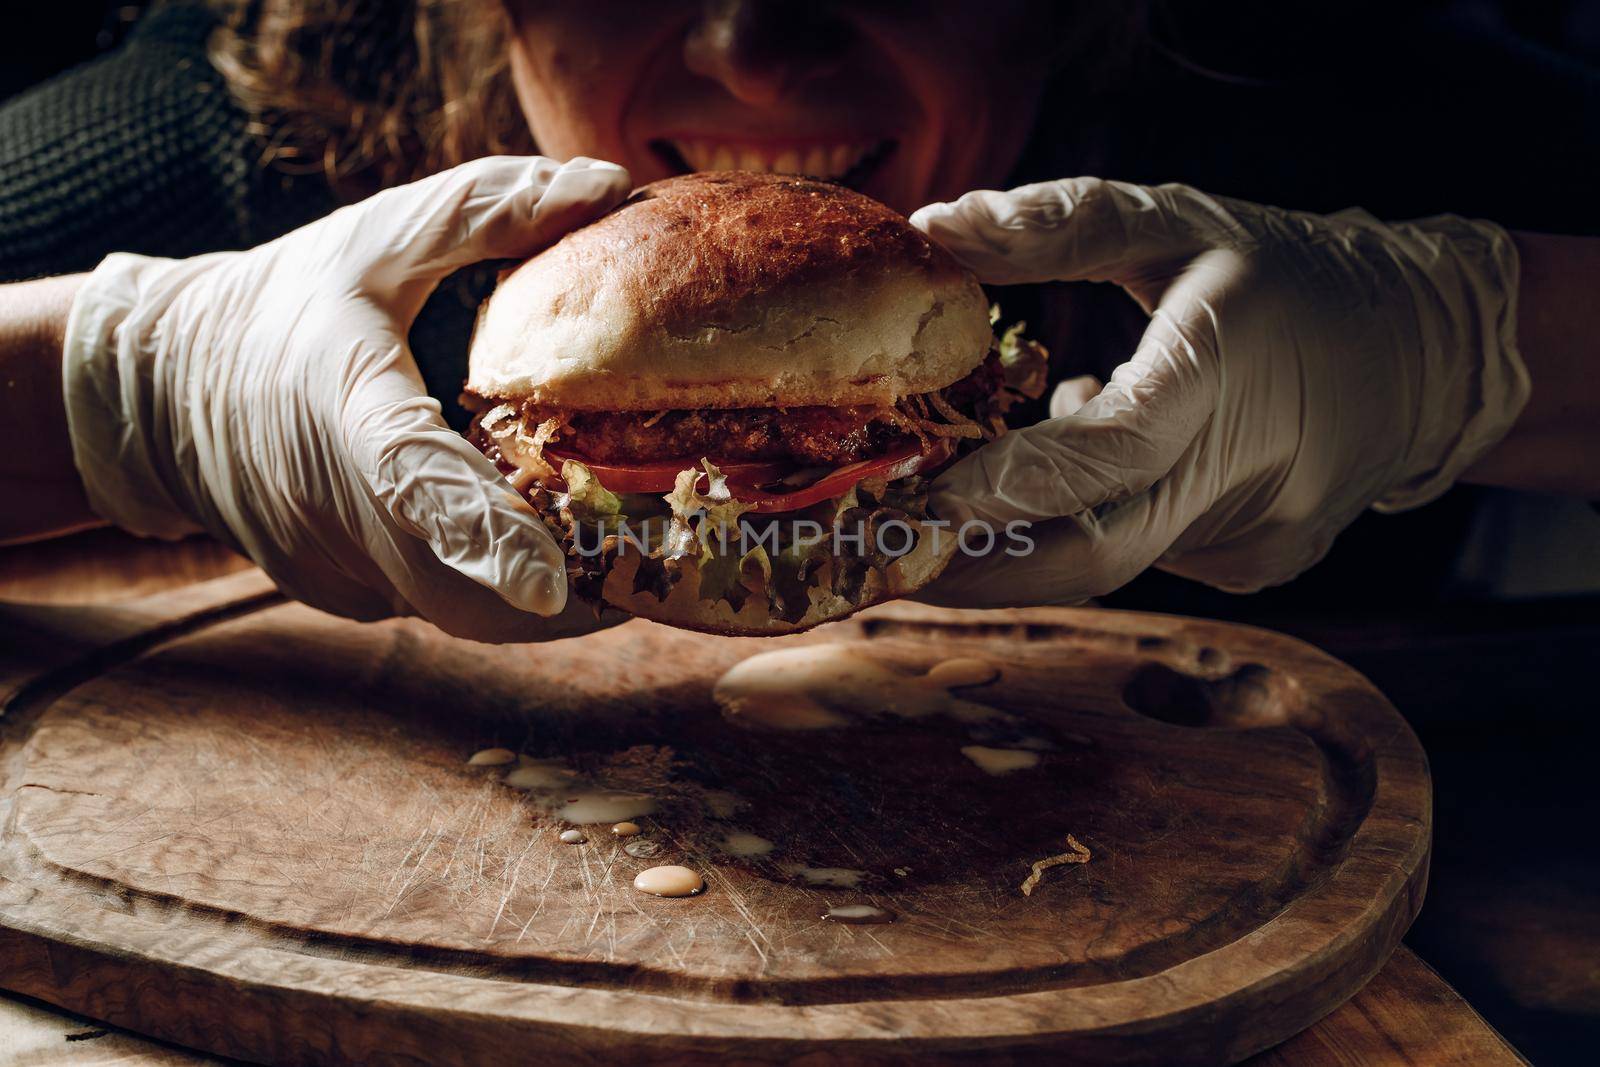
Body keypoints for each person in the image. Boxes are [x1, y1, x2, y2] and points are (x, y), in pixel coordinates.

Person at [1, 0, 1597, 640]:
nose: (759, 52)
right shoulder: (240, 123)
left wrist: (1468, 334)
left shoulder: (1314, 92)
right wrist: (129, 379)